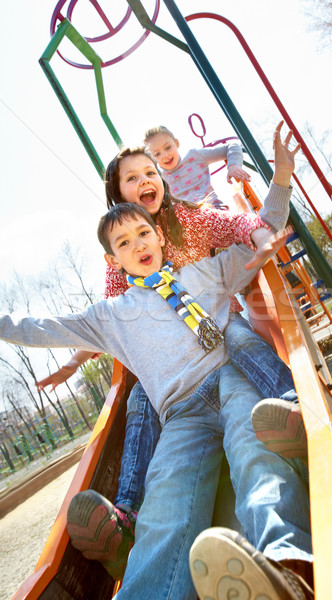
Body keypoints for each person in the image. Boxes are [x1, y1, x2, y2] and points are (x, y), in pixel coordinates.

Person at [0, 202, 313, 600]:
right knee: (164, 501)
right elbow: (44, 327)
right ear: (113, 260)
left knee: (255, 451)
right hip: (182, 414)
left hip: (229, 376)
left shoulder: (203, 273)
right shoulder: (111, 316)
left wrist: (277, 198)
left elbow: (257, 234)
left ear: (160, 236)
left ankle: (288, 565)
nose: (138, 245)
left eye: (143, 233)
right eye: (124, 242)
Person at [37, 123, 306, 580]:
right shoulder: (124, 256)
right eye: (132, 177)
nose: (146, 180)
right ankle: (127, 515)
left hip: (221, 351)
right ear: (118, 195)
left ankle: (290, 408)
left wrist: (277, 186)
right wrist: (75, 356)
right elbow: (107, 321)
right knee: (140, 392)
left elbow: (245, 226)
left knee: (238, 344)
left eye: (151, 171)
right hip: (176, 388)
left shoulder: (187, 222)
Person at [144, 124, 251, 209]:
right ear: (153, 158)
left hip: (214, 210)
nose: (164, 155)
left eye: (167, 147)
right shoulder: (160, 180)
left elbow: (232, 146)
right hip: (190, 225)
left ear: (176, 143)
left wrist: (233, 166)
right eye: (157, 154)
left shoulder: (194, 157)